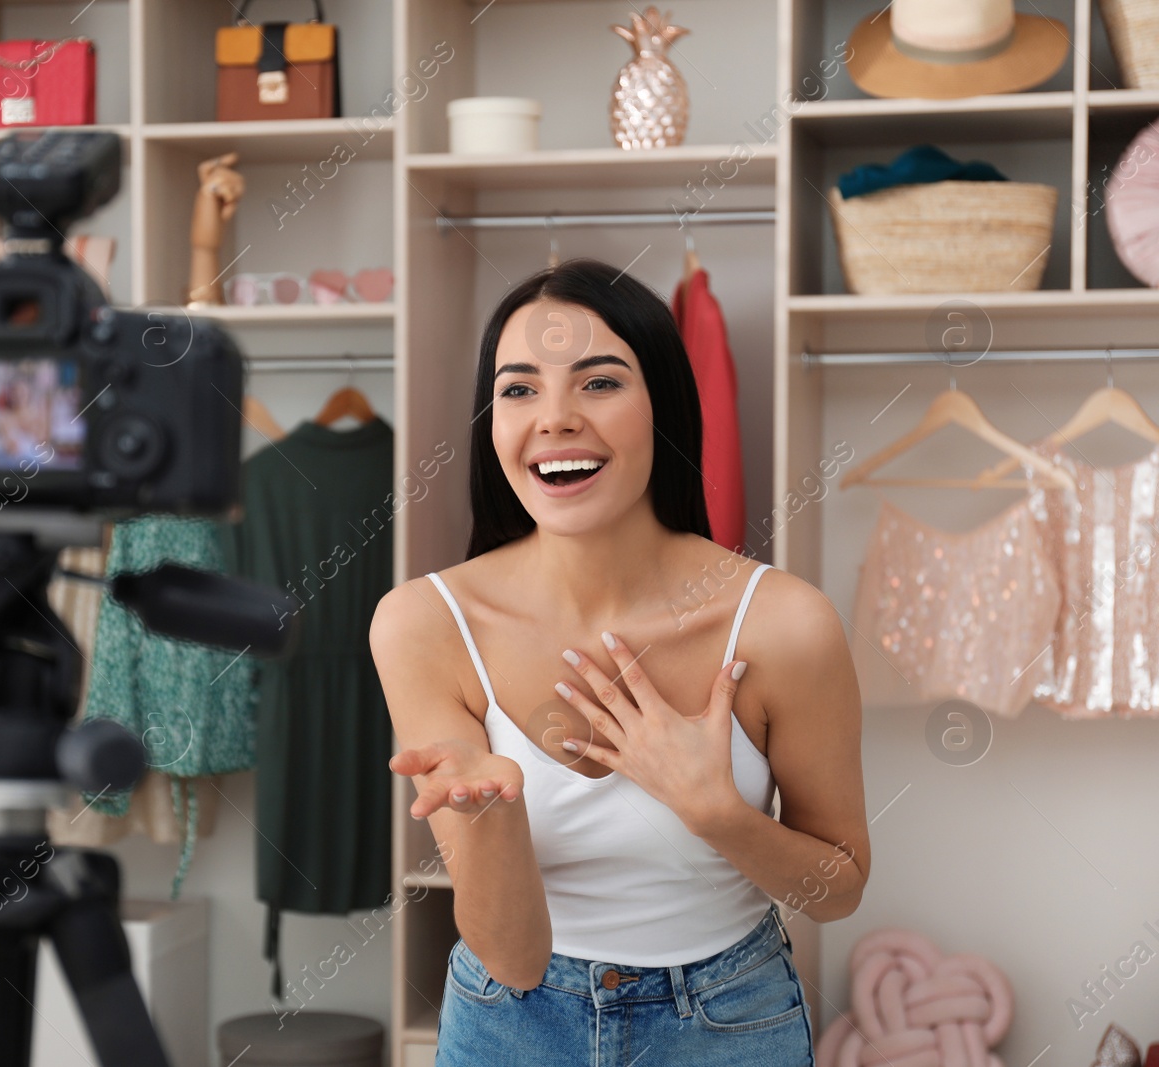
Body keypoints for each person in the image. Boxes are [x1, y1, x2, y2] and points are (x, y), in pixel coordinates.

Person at [369, 259, 867, 1065]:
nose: (555, 417)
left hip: (731, 1022)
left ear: (664, 405)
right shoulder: (424, 623)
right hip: (509, 1028)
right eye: (519, 388)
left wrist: (717, 813)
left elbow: (838, 890)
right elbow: (514, 958)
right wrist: (491, 814)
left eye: (599, 382)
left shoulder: (783, 623)